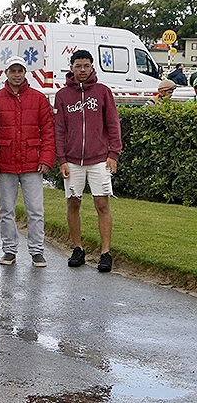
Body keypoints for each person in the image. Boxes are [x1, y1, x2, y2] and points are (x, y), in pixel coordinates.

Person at [54, 49, 122, 273]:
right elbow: (59, 129)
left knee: (102, 203)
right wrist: (61, 159)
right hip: (72, 160)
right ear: (71, 68)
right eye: (78, 66)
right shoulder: (63, 95)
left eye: (86, 66)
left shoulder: (103, 92)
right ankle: (77, 248)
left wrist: (113, 153)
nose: (82, 70)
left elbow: (112, 124)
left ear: (92, 67)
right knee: (73, 203)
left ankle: (105, 253)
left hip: (99, 159)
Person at [0, 56, 55, 267]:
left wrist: (46, 159)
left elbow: (48, 132)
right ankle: (9, 250)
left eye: (20, 71)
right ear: (6, 73)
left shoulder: (39, 99)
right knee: (6, 210)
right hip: (5, 163)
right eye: (12, 71)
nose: (16, 75)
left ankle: (37, 251)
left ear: (25, 73)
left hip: (33, 163)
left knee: (35, 210)